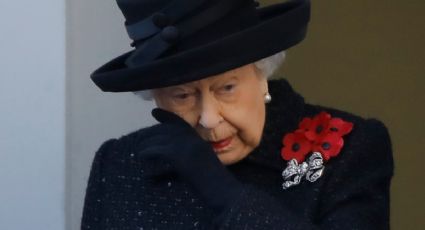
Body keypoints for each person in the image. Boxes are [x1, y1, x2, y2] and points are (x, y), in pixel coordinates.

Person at [81, 0, 394, 229]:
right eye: (182, 95)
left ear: (262, 74)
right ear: (156, 97)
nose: (208, 119)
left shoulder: (350, 149)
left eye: (226, 88)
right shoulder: (120, 163)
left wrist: (224, 193)